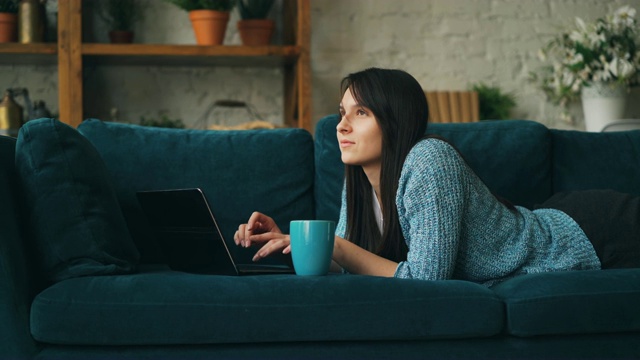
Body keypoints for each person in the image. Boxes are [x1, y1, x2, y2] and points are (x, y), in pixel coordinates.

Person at [233, 67, 640, 286]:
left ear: (393, 121)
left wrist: (338, 245)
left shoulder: (429, 161)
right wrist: (298, 242)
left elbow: (427, 280)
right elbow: (353, 262)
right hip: (552, 215)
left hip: (589, 231)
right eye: (342, 112)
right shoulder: (358, 179)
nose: (341, 125)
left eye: (361, 112)